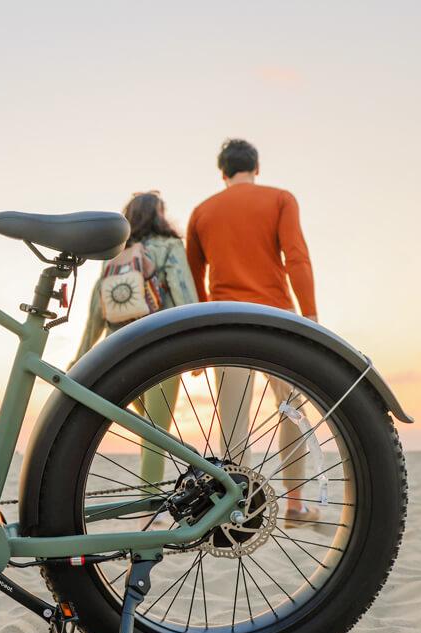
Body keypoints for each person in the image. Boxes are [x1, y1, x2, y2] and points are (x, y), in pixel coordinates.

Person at [185, 138, 320, 525]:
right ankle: (295, 505)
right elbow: (296, 256)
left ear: (222, 172)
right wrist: (310, 315)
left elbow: (195, 279)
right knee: (293, 412)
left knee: (233, 425)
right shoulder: (280, 199)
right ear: (256, 167)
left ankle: (239, 508)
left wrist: (197, 337)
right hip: (278, 321)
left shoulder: (201, 212)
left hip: (226, 322)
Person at [74, 191, 199, 485]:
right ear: (159, 215)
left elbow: (96, 308)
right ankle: (148, 503)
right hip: (162, 347)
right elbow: (183, 292)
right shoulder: (169, 246)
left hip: (119, 352)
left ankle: (148, 497)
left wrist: (81, 356)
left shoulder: (114, 256)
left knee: (147, 428)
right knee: (156, 432)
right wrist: (196, 343)